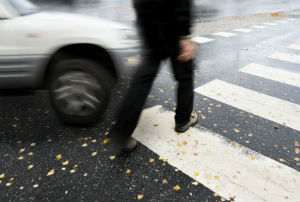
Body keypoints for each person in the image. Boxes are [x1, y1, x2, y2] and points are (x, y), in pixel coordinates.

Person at [109, 0, 197, 154]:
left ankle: (121, 133)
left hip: (147, 19)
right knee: (185, 75)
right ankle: (183, 120)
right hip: (171, 21)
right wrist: (184, 35)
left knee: (142, 79)